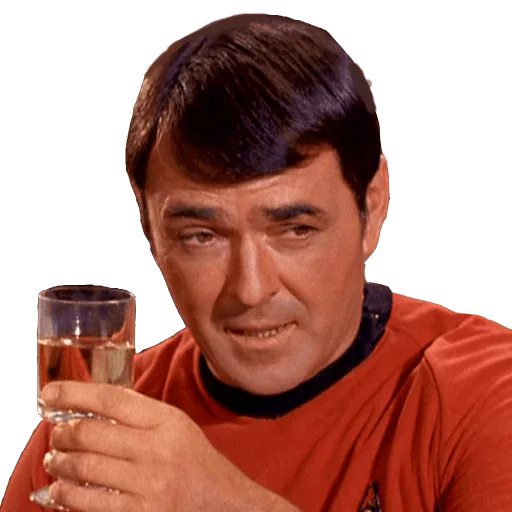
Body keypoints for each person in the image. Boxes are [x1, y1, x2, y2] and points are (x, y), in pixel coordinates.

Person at [2, 12, 511, 512]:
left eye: (296, 230)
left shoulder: (481, 391)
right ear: (148, 231)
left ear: (372, 208)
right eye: (202, 236)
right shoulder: (90, 433)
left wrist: (216, 502)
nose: (251, 289)